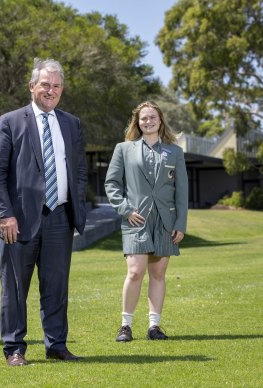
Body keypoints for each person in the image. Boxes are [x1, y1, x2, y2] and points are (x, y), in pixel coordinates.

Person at [0, 58, 87, 366]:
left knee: (56, 287)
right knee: (15, 289)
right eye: (45, 84)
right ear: (32, 86)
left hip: (60, 217)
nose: (51, 90)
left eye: (56, 86)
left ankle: (56, 345)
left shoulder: (72, 123)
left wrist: (76, 205)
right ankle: (14, 348)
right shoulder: (10, 121)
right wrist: (5, 214)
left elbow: (79, 170)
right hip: (18, 221)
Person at [104, 101, 188, 343]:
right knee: (135, 271)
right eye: (143, 118)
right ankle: (125, 326)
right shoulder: (123, 149)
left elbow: (181, 192)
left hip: (165, 220)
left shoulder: (175, 152)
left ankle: (154, 326)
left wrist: (180, 223)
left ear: (160, 120)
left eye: (152, 117)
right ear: (137, 123)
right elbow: (111, 184)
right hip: (135, 219)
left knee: (158, 273)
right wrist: (125, 208)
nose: (148, 121)